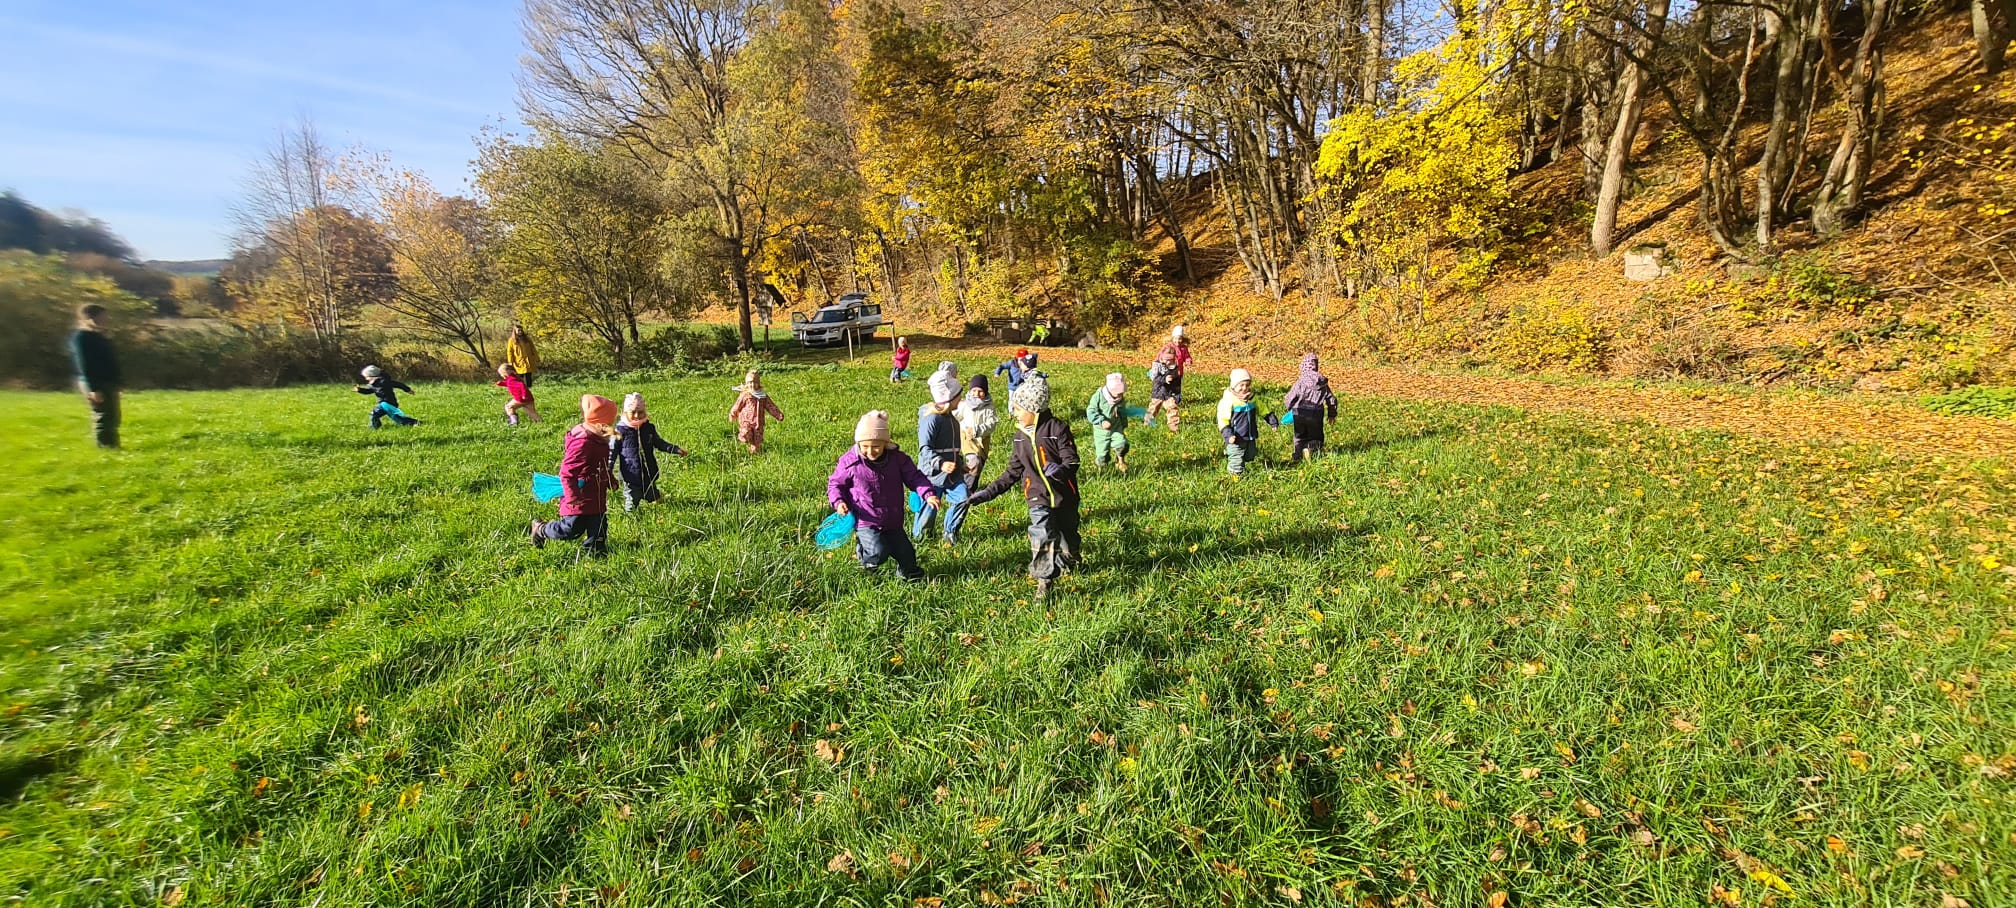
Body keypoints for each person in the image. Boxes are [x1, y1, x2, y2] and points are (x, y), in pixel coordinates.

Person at [967, 373, 1081, 597]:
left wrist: (1060, 470)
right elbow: (1012, 472)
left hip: (1064, 496)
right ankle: (1044, 581)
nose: (1014, 413)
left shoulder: (1057, 429)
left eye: (1018, 409)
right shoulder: (1019, 437)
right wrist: (987, 493)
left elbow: (1073, 461)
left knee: (1068, 537)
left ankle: (1070, 556)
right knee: (1042, 535)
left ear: (1033, 409)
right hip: (1036, 496)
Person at [827, 410, 941, 582]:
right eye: (865, 446)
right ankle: (866, 558)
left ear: (885, 444)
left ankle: (909, 575)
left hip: (892, 518)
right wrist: (838, 501)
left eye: (876, 446)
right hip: (866, 519)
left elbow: (915, 477)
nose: (870, 451)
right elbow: (836, 484)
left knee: (906, 553)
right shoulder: (850, 463)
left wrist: (928, 493)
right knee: (878, 552)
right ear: (858, 443)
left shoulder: (898, 459)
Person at [531, 395, 619, 555]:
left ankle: (596, 553)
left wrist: (610, 479)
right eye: (608, 424)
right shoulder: (583, 443)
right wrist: (572, 495)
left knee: (599, 525)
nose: (610, 427)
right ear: (598, 423)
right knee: (571, 529)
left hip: (597, 492)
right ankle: (541, 529)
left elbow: (602, 464)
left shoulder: (600, 440)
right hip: (580, 493)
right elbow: (567, 472)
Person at [912, 367, 969, 545]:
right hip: (932, 476)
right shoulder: (931, 419)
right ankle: (920, 539)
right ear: (949, 398)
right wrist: (941, 463)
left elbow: (953, 449)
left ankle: (950, 532)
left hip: (952, 476)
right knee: (929, 508)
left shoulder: (953, 420)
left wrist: (959, 464)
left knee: (963, 498)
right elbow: (925, 449)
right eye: (959, 396)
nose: (961, 399)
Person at [614, 393, 687, 510]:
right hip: (630, 473)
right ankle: (630, 515)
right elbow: (612, 451)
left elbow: (659, 443)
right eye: (632, 412)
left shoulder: (648, 428)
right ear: (625, 412)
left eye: (640, 412)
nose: (637, 416)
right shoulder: (620, 431)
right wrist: (608, 468)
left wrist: (674, 449)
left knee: (651, 492)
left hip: (648, 470)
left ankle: (659, 502)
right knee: (633, 497)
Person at [69, 303, 122, 449]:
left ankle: (113, 446)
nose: (106, 320)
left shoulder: (99, 336)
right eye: (102, 317)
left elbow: (111, 362)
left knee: (113, 416)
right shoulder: (81, 337)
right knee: (103, 416)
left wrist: (117, 384)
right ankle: (106, 447)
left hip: (108, 382)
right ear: (90, 318)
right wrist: (93, 389)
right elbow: (85, 364)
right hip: (95, 382)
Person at [1282, 353, 1340, 461]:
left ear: (1303, 367)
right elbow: (1331, 399)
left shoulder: (1301, 381)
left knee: (1299, 436)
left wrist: (1289, 407)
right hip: (1316, 413)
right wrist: (1332, 414)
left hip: (1299, 412)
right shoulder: (1322, 383)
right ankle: (1310, 448)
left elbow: (1291, 396)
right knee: (1316, 437)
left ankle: (1297, 455)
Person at [1143, 325, 1191, 432]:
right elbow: (1155, 378)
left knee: (1172, 408)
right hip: (1159, 392)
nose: (1169, 362)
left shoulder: (1175, 366)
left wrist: (1176, 392)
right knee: (1153, 407)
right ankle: (1147, 422)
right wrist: (1164, 379)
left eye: (1171, 360)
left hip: (1169, 393)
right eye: (1167, 360)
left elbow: (1177, 381)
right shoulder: (1159, 366)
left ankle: (1173, 425)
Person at [955, 374, 999, 490]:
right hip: (966, 438)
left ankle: (970, 487)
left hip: (982, 440)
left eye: (980, 391)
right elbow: (955, 415)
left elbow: (992, 424)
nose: (976, 394)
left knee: (978, 465)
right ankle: (966, 490)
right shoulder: (964, 405)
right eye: (974, 390)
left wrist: (977, 430)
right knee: (973, 462)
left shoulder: (989, 407)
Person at [727, 370, 785, 454]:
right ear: (747, 384)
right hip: (746, 420)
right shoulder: (745, 395)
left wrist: (778, 414)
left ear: (758, 383)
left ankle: (754, 454)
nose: (752, 385)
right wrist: (733, 413)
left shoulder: (763, 396)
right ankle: (743, 437)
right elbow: (738, 404)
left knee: (757, 440)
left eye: (755, 382)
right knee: (746, 433)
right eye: (750, 383)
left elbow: (770, 406)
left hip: (759, 422)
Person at [1217, 368, 1261, 476]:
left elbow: (1263, 409)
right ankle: (1235, 476)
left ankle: (1240, 465)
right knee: (1236, 458)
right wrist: (1228, 435)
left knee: (1250, 455)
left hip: (1249, 435)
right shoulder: (1229, 401)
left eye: (1247, 385)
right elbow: (1223, 419)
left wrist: (1271, 419)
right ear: (1234, 386)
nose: (1244, 388)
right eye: (1241, 385)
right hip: (1235, 437)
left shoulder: (1252, 398)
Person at [1085, 372, 1131, 471]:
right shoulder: (1098, 396)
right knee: (1102, 455)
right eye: (1118, 393)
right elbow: (1091, 411)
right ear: (1110, 390)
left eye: (1122, 393)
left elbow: (1122, 410)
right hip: (1101, 430)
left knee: (1122, 445)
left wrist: (1123, 423)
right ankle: (1102, 470)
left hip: (1116, 426)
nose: (1120, 395)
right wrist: (1101, 421)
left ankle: (1120, 462)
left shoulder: (1120, 398)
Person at [356, 366, 420, 428]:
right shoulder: (373, 385)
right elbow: (369, 391)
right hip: (385, 404)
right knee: (397, 417)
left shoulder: (385, 382)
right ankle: (414, 422)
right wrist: (360, 390)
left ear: (373, 376)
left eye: (367, 377)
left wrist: (408, 390)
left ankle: (374, 428)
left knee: (374, 414)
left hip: (387, 403)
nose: (366, 379)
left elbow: (399, 385)